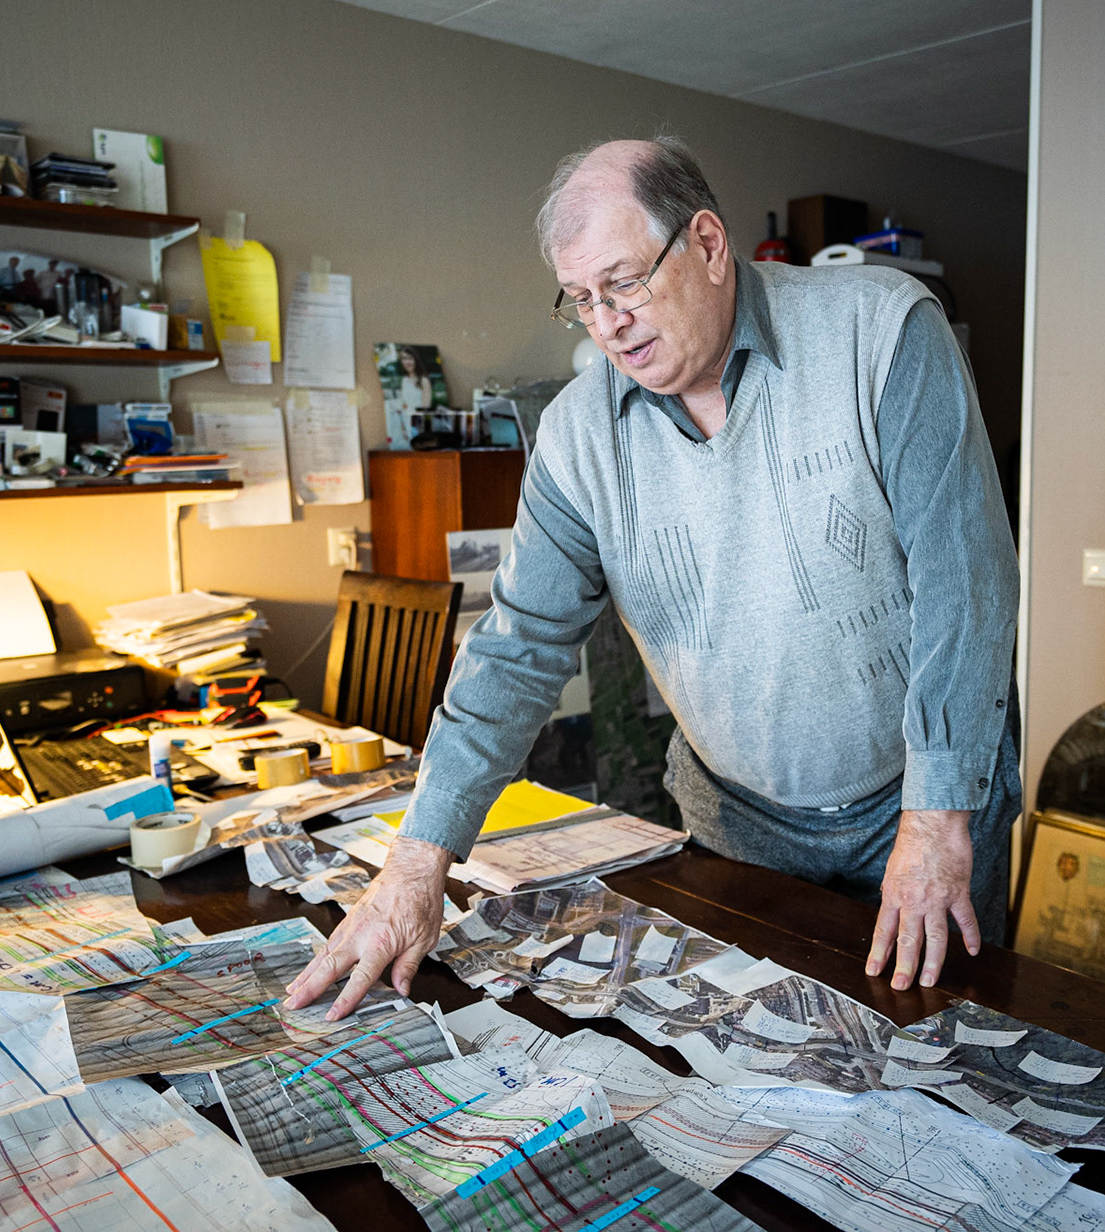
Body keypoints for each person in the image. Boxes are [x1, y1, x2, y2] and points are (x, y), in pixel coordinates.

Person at [287, 137, 1019, 1021]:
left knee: (941, 1054)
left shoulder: (883, 331)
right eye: (582, 299)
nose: (607, 323)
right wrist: (416, 863)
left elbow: (965, 588)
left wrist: (937, 819)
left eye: (624, 283)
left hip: (921, 807)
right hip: (735, 825)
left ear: (707, 244)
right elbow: (517, 647)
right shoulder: (577, 435)